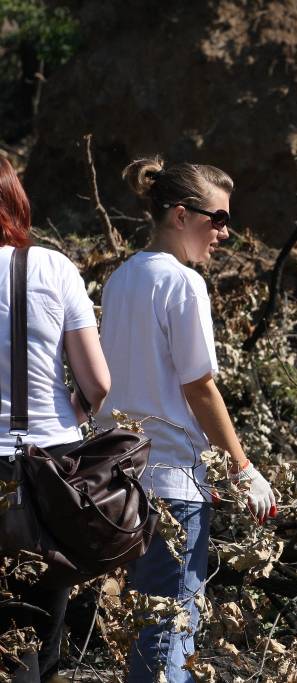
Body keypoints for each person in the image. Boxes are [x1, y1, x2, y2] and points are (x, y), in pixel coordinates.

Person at [98, 157, 276, 682]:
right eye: (217, 219)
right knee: (171, 632)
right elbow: (199, 386)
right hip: (173, 483)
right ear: (180, 215)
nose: (225, 232)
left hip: (123, 481)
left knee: (149, 627)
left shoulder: (121, 279)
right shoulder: (182, 282)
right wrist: (243, 468)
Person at [0, 157, 111, 682]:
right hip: (52, 464)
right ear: (15, 201)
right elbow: (98, 383)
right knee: (42, 623)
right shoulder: (52, 267)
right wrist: (74, 414)